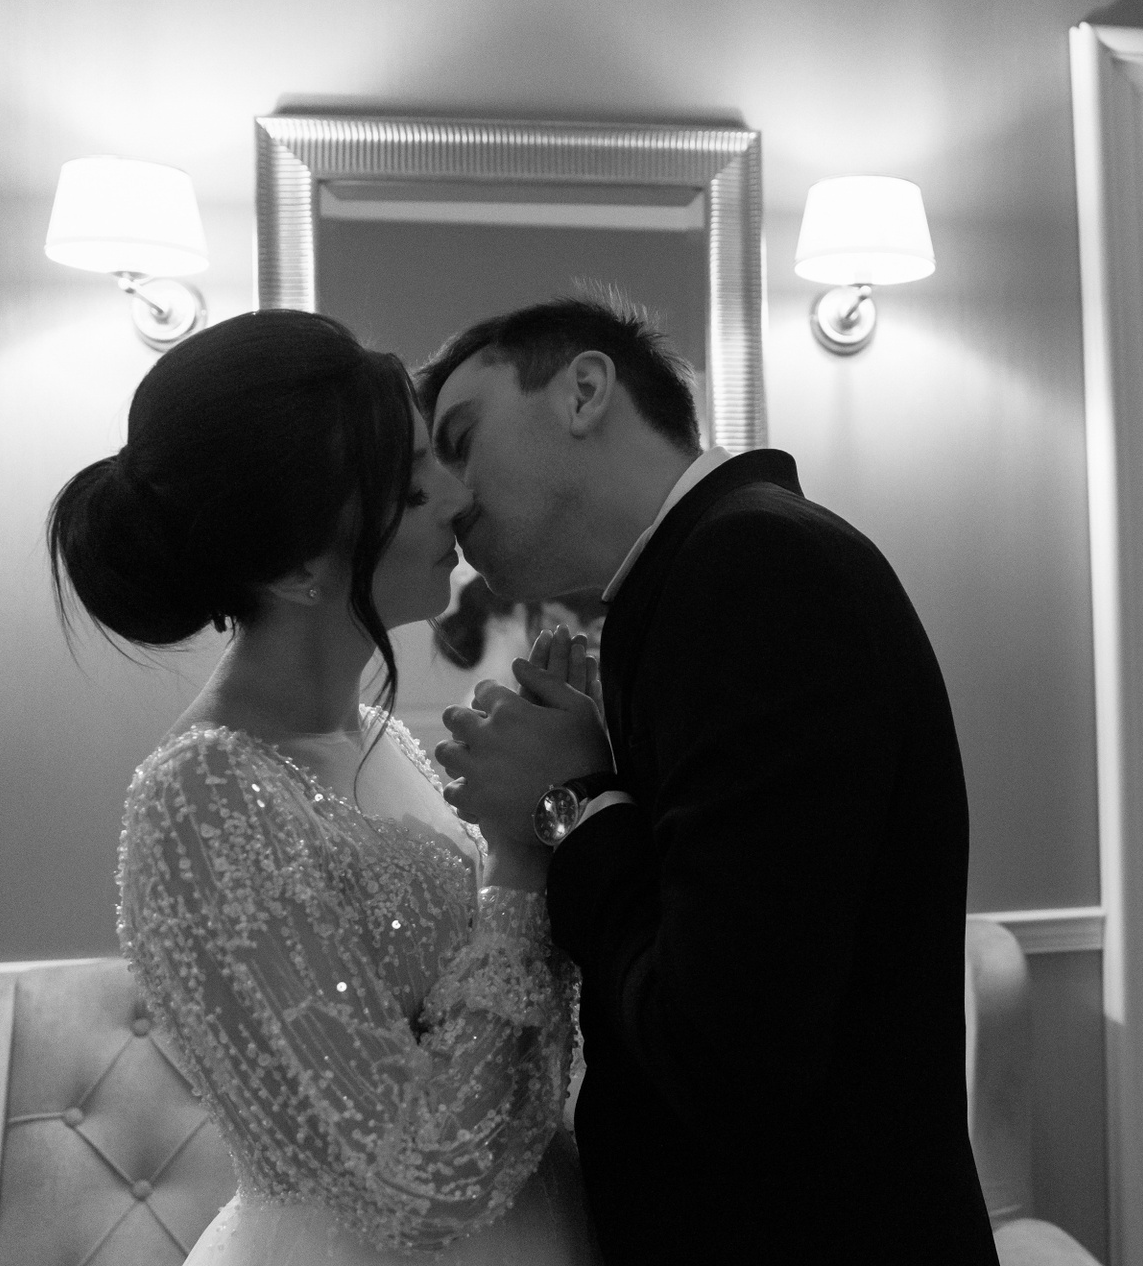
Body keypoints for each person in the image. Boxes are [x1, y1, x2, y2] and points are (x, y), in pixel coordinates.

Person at [424, 298, 998, 1265]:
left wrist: (574, 804)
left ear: (584, 390)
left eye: (462, 440)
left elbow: (728, 1054)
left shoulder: (755, 567)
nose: (448, 496)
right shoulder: (696, 578)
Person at [47, 310, 597, 1266]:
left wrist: (565, 799)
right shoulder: (204, 797)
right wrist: (519, 858)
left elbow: (503, 1050)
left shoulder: (381, 740)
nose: (456, 496)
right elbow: (415, 1184)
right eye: (412, 483)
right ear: (297, 565)